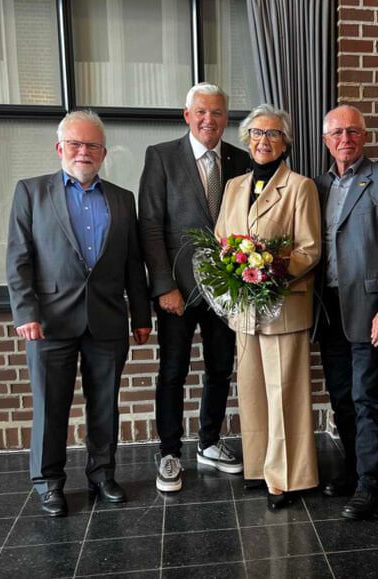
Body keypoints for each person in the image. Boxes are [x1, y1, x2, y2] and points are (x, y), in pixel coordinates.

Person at [6, 110, 152, 517]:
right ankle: (48, 483)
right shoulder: (31, 192)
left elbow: (133, 264)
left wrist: (141, 316)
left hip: (107, 319)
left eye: (92, 145)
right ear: (60, 148)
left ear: (103, 153)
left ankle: (102, 475)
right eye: (75, 144)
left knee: (105, 403)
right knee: (50, 406)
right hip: (49, 321)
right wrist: (25, 312)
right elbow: (18, 259)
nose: (83, 152)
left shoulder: (123, 199)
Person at [139, 83, 250, 492]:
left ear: (226, 117)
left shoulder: (240, 161)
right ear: (187, 116)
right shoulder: (162, 157)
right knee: (173, 371)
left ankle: (208, 442)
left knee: (221, 368)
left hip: (227, 290)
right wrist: (163, 285)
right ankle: (169, 452)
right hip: (178, 293)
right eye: (201, 112)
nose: (209, 120)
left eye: (218, 113)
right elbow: (149, 225)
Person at [215, 104, 321, 509]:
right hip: (244, 309)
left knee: (285, 394)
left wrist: (268, 269)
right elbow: (223, 239)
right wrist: (236, 268)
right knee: (254, 392)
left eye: (273, 134)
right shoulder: (234, 187)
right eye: (257, 133)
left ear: (285, 142)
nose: (264, 141)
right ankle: (259, 467)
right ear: (247, 139)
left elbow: (309, 248)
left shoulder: (300, 186)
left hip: (284, 306)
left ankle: (289, 477)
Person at [314, 105, 378, 519]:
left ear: (365, 136)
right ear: (326, 140)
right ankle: (355, 470)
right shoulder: (316, 186)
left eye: (353, 131)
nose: (345, 139)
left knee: (366, 395)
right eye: (337, 133)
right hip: (328, 307)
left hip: (370, 307)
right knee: (341, 396)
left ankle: (372, 483)